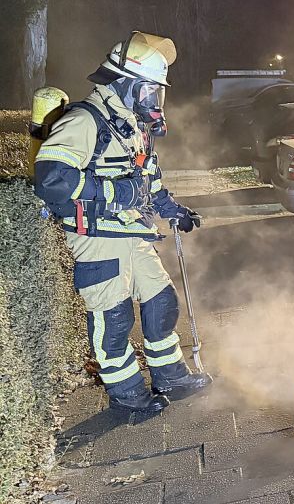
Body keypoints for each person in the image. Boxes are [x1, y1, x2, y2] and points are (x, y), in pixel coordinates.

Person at [34, 32, 211, 413]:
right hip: (97, 235)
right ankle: (127, 396)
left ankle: (171, 377)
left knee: (161, 301)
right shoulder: (84, 120)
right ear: (127, 84)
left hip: (131, 231)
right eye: (150, 91)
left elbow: (149, 179)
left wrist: (172, 209)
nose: (154, 101)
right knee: (113, 318)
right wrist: (117, 194)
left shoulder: (131, 126)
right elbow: (52, 181)